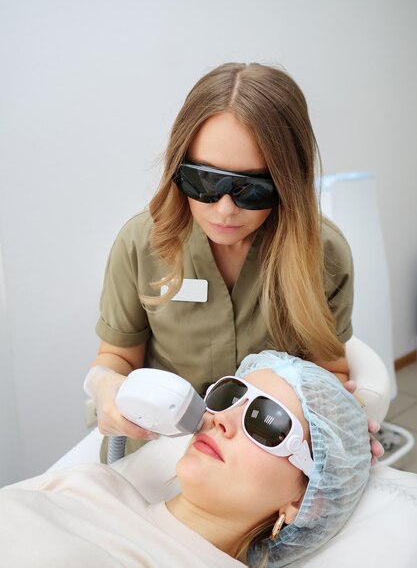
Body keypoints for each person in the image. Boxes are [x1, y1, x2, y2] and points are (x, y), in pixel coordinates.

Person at [84, 62, 376, 460]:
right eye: (203, 181)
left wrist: (336, 427)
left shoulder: (323, 255)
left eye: (250, 189)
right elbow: (116, 356)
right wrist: (105, 386)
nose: (224, 210)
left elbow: (330, 372)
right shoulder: (141, 244)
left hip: (259, 463)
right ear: (178, 167)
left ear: (289, 181)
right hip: (152, 453)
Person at [0, 352, 371, 567]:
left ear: (304, 501)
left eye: (266, 420)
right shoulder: (92, 481)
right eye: (228, 395)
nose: (219, 419)